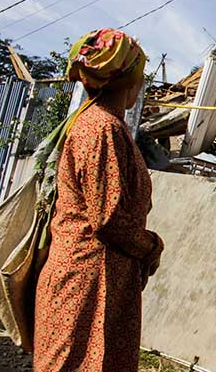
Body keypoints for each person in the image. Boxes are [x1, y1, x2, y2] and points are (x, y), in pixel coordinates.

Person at [33, 28, 164, 372]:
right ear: (128, 80)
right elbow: (110, 220)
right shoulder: (103, 128)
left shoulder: (94, 123)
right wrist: (151, 245)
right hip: (89, 281)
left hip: (91, 275)